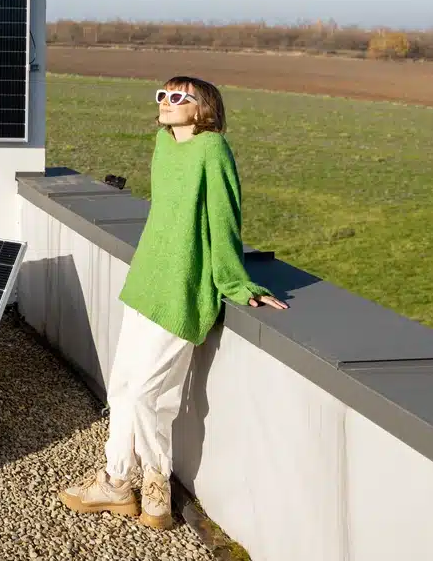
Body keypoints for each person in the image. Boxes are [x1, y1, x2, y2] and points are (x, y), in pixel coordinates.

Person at [59, 75, 288, 530]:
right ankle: (117, 482)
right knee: (123, 387)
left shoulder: (213, 150)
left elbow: (224, 222)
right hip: (147, 280)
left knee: (147, 392)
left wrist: (237, 284)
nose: (166, 103)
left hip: (183, 287)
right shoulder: (164, 145)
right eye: (162, 95)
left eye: (178, 96)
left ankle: (155, 481)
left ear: (203, 107)